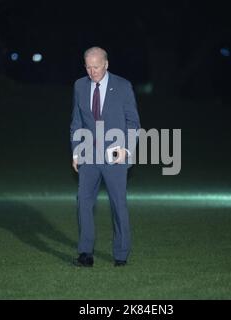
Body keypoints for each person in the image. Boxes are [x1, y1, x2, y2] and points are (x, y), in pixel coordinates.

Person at [70, 47, 140, 267]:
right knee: (83, 202)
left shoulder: (123, 86)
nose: (92, 72)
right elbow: (76, 122)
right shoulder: (80, 86)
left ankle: (121, 255)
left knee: (118, 205)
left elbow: (133, 122)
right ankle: (85, 253)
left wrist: (126, 149)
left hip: (115, 157)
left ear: (106, 64)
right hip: (88, 156)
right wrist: (75, 151)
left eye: (96, 67)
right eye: (88, 67)